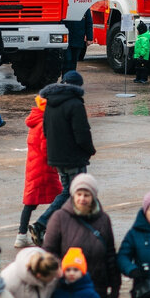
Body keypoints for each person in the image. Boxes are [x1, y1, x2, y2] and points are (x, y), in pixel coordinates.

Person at [41, 174, 120, 298]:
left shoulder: (103, 219)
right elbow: (49, 253)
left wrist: (115, 287)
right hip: (68, 290)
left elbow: (110, 254)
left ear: (93, 197)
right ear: (73, 195)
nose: (82, 199)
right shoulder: (59, 218)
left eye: (86, 195)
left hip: (97, 290)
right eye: (79, 194)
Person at [30, 71, 95, 245]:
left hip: (56, 156)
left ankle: (65, 228)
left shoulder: (50, 103)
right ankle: (42, 223)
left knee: (69, 191)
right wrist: (89, 150)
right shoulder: (75, 104)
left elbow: (46, 130)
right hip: (73, 157)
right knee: (73, 193)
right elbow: (82, 133)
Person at [16, 96, 62, 249]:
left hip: (33, 167)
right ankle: (50, 230)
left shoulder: (35, 120)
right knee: (62, 199)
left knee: (30, 201)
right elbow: (46, 148)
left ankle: (21, 236)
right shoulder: (46, 123)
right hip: (45, 169)